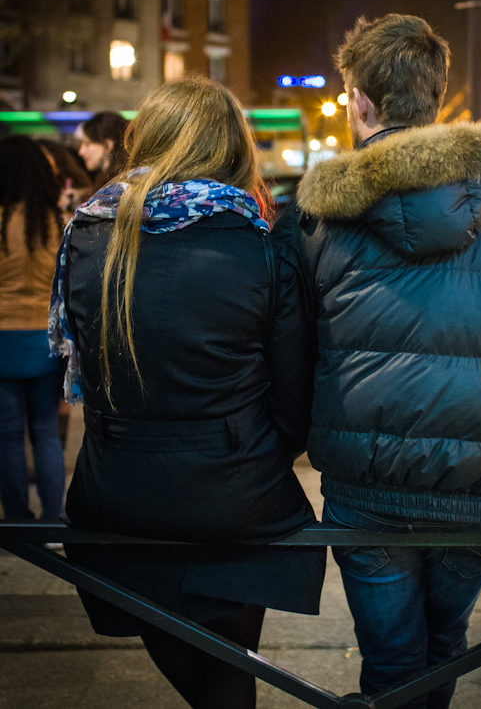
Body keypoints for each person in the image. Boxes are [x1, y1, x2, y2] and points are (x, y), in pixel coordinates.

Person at [272, 13, 481, 708]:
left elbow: (292, 362)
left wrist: (316, 436)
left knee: (390, 660)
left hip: (365, 488)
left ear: (359, 100)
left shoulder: (316, 224)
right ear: (435, 94)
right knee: (441, 646)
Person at [49, 75, 324, 709]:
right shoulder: (258, 247)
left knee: (205, 669)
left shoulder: (88, 237)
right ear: (232, 149)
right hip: (238, 497)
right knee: (229, 671)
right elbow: (293, 401)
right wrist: (250, 450)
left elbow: (87, 371)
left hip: (116, 494)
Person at [0, 136, 66, 522]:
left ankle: (16, 520)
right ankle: (54, 520)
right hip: (45, 340)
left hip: (3, 338)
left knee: (8, 437)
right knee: (45, 433)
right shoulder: (54, 224)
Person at [75, 110, 129, 189]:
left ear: (107, 145)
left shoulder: (119, 184)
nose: (81, 152)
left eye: (87, 144)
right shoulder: (105, 178)